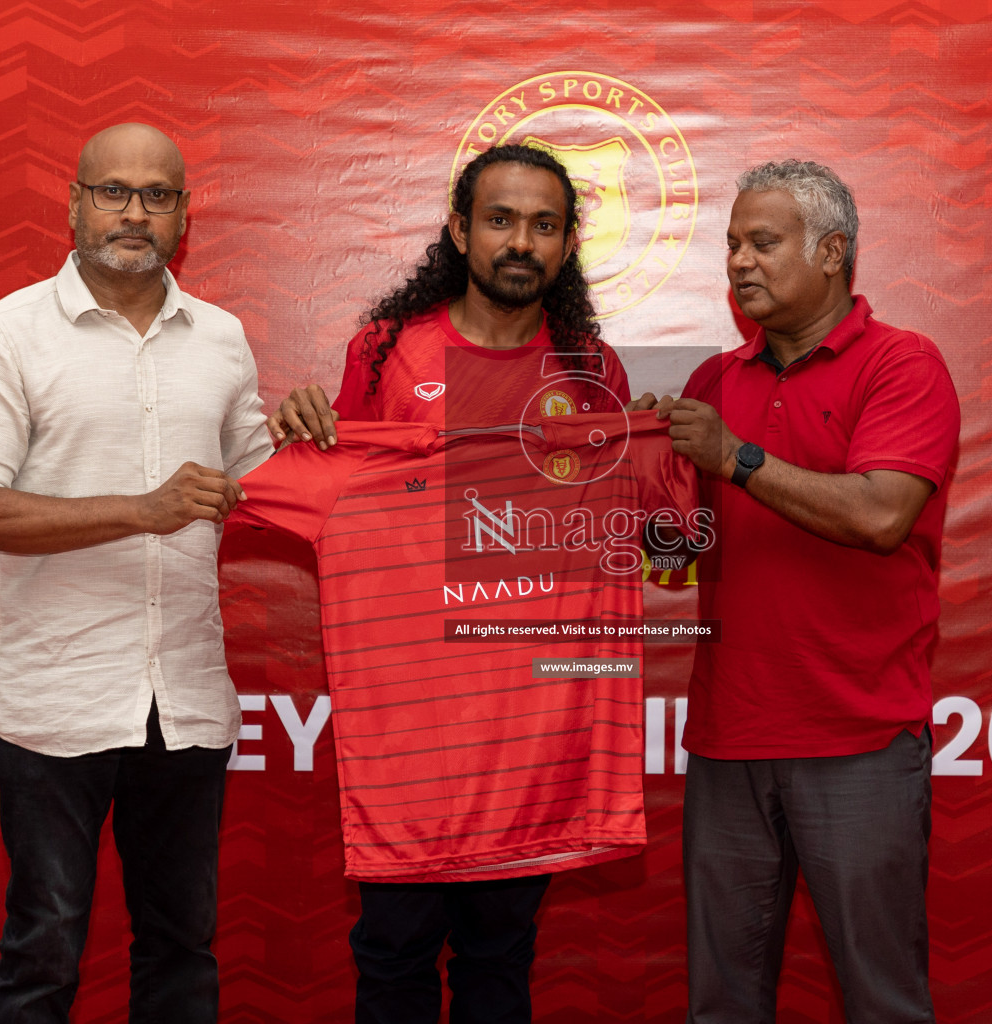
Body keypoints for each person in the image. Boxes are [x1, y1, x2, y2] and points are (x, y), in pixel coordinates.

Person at [268, 143, 632, 1024]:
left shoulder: (593, 374)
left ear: (567, 243)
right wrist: (303, 435)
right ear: (460, 229)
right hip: (413, 733)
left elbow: (640, 535)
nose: (521, 242)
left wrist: (660, 465)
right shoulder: (388, 350)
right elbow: (347, 498)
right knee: (392, 955)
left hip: (528, 733)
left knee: (500, 958)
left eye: (544, 225)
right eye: (501, 219)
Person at [0, 123, 273, 1023]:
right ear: (75, 202)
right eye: (113, 191)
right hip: (59, 705)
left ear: (185, 214)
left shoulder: (223, 339)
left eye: (157, 195)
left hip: (189, 702)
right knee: (43, 954)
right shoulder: (5, 333)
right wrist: (141, 509)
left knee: (181, 952)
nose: (135, 212)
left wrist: (330, 437)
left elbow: (262, 485)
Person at [645, 160, 960, 1023]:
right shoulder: (714, 383)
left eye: (763, 243)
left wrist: (734, 459)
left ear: (832, 252)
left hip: (856, 736)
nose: (741, 262)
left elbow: (881, 516)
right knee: (722, 1004)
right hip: (727, 738)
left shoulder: (904, 363)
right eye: (733, 245)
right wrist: (640, 492)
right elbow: (674, 558)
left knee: (882, 1000)